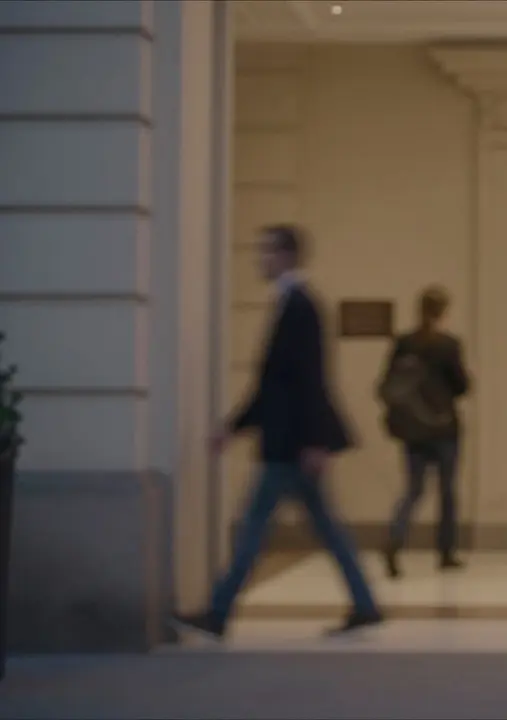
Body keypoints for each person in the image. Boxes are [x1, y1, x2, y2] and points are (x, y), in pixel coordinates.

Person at [173, 225, 383, 639]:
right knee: (325, 527)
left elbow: (309, 379)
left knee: (254, 527)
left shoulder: (301, 306)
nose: (260, 259)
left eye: (266, 251)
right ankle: (365, 604)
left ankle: (218, 612)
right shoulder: (292, 304)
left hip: (291, 445)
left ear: (287, 255)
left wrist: (315, 441)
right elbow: (274, 384)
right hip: (293, 442)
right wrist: (233, 426)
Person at [379, 285, 470, 575]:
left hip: (413, 429)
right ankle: (445, 552)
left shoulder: (404, 343)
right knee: (447, 491)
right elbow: (462, 386)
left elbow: (387, 384)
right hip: (444, 428)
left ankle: (395, 540)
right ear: (443, 311)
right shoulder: (448, 345)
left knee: (414, 489)